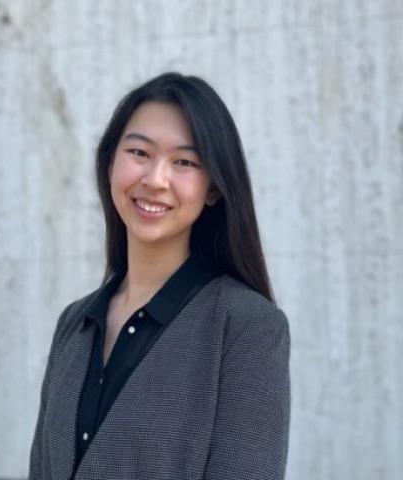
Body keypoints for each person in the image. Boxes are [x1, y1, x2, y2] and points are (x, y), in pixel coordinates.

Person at [28, 72, 291, 480]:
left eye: (184, 162)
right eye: (139, 152)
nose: (155, 179)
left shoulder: (246, 325)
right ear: (110, 162)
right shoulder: (74, 324)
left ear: (214, 189)